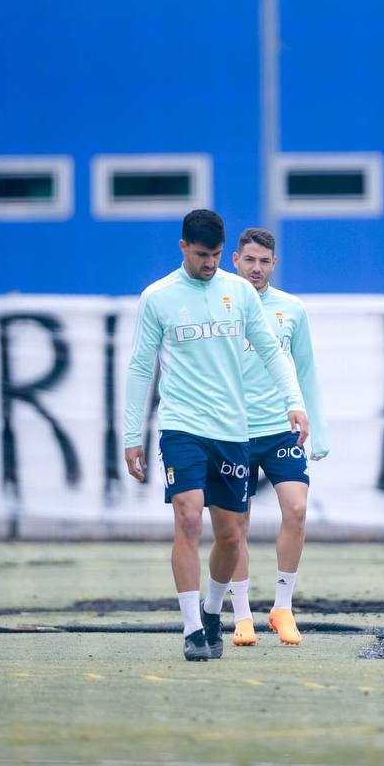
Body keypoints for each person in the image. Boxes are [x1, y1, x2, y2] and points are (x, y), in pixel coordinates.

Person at [123, 209, 309, 662]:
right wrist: (132, 434)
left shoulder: (238, 292)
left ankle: (211, 610)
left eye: (217, 255)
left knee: (230, 536)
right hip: (181, 427)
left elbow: (270, 350)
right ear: (184, 247)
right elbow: (140, 366)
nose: (211, 263)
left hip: (231, 430)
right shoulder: (158, 297)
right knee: (188, 519)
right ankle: (191, 629)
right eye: (203, 254)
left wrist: (294, 401)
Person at [226, 228, 330, 647]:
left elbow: (305, 370)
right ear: (235, 260)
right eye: (249, 259)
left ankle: (283, 607)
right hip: (232, 430)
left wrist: (317, 428)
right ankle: (241, 614)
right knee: (236, 523)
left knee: (297, 509)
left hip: (280, 430)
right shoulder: (222, 305)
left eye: (264, 261)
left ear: (274, 263)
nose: (256, 268)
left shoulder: (292, 309)